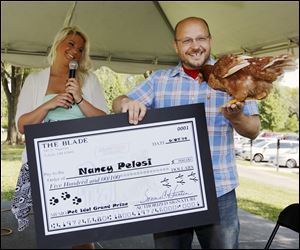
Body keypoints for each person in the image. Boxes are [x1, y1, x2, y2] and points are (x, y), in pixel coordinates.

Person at [112, 17, 261, 249]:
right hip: (169, 194)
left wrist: (237, 117)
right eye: (187, 40)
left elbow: (253, 130)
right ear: (176, 46)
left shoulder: (235, 78)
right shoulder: (159, 81)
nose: (195, 46)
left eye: (201, 38)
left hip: (219, 191)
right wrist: (126, 104)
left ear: (210, 41)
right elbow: (118, 102)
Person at [11, 26, 108, 249]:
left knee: (82, 232)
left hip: (81, 166)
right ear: (57, 44)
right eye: (71, 44)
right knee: (51, 230)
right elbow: (23, 125)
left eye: (81, 49)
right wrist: (50, 104)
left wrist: (80, 99)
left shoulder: (89, 80)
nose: (75, 51)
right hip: (45, 167)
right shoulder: (35, 80)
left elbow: (103, 120)